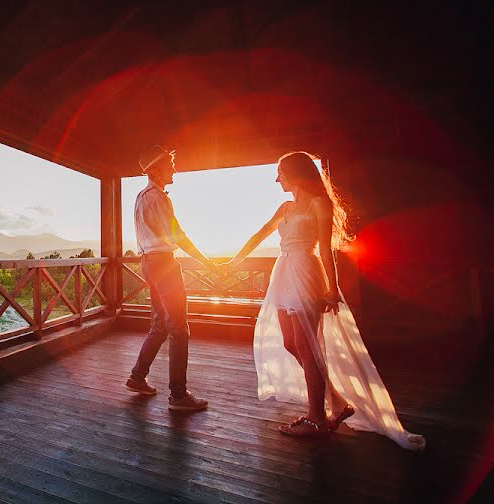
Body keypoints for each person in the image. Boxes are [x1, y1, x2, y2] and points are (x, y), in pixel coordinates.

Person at [224, 151, 425, 449]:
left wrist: (332, 288)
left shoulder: (321, 204)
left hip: (306, 270)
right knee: (291, 343)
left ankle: (316, 418)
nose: (277, 178)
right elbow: (260, 233)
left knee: (308, 345)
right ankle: (338, 401)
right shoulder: (285, 207)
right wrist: (233, 261)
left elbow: (326, 250)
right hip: (283, 273)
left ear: (295, 173)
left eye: (280, 172)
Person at [125, 145, 214, 411]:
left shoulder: (142, 196)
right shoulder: (160, 199)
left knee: (160, 325)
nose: (174, 168)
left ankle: (137, 377)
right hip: (164, 264)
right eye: (169, 164)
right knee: (178, 328)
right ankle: (178, 395)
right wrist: (204, 260)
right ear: (155, 169)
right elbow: (177, 236)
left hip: (148, 263)